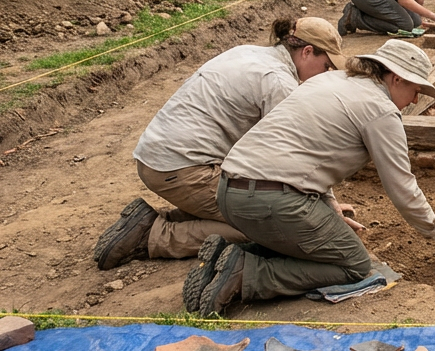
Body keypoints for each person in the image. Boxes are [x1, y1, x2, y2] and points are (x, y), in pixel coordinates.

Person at [193, 39, 435, 317]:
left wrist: (329, 207)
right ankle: (246, 273)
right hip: (270, 200)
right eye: (415, 90)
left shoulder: (331, 81)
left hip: (228, 190)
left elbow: (307, 151)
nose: (414, 100)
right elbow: (401, 185)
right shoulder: (380, 110)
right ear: (397, 78)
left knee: (316, 245)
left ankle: (226, 257)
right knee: (354, 264)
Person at [93, 17, 346, 289]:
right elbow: (295, 153)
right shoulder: (278, 82)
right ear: (307, 52)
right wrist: (322, 204)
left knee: (255, 202)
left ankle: (148, 222)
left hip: (159, 158)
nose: (327, 73)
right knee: (269, 225)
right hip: (182, 169)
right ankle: (155, 236)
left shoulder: (250, 53)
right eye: (326, 66)